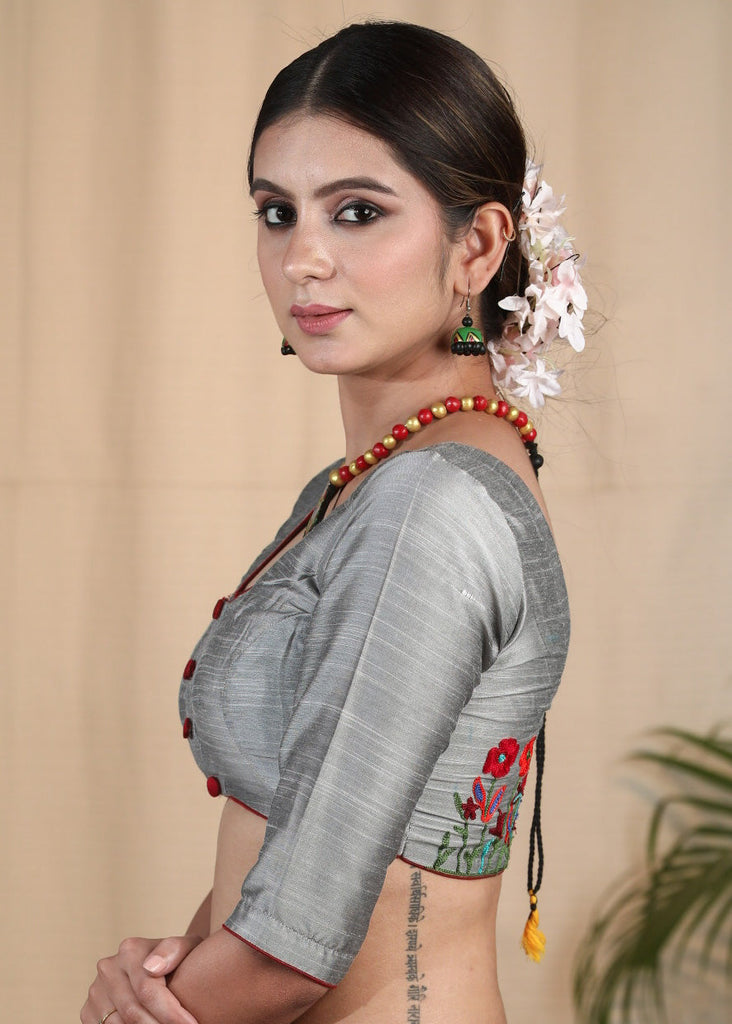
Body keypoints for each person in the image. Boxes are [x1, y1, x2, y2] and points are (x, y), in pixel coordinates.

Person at [82, 20, 584, 1024]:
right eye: (277, 211)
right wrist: (161, 973)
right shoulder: (364, 482)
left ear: (477, 245)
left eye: (357, 211)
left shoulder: (426, 506)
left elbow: (295, 950)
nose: (304, 258)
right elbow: (288, 857)